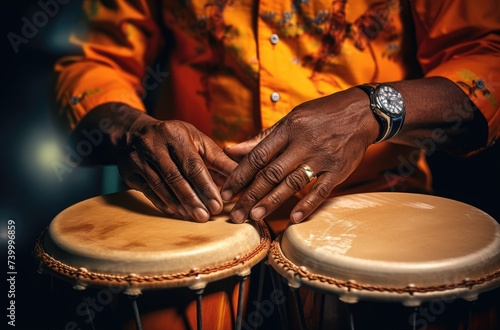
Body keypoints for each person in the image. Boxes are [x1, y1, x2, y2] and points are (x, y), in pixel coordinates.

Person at [52, 0, 499, 227]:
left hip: (378, 205)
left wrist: (371, 109)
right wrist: (132, 128)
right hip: (195, 211)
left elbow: (488, 60)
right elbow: (94, 62)